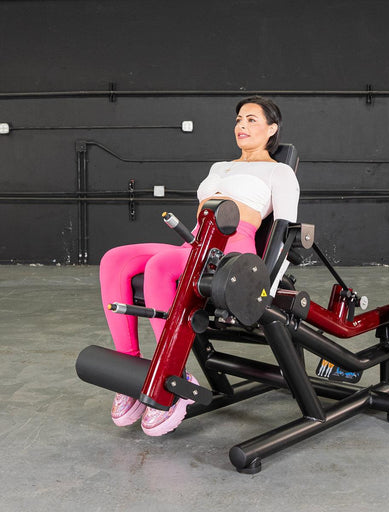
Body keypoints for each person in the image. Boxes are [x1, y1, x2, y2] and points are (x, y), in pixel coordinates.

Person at [99, 96, 300, 436]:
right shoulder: (219, 167)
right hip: (193, 243)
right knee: (114, 259)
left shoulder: (279, 172)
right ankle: (131, 374)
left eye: (252, 120)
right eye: (239, 119)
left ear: (272, 129)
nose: (242, 126)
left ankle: (172, 375)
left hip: (230, 252)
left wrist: (264, 286)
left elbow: (285, 231)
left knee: (160, 266)